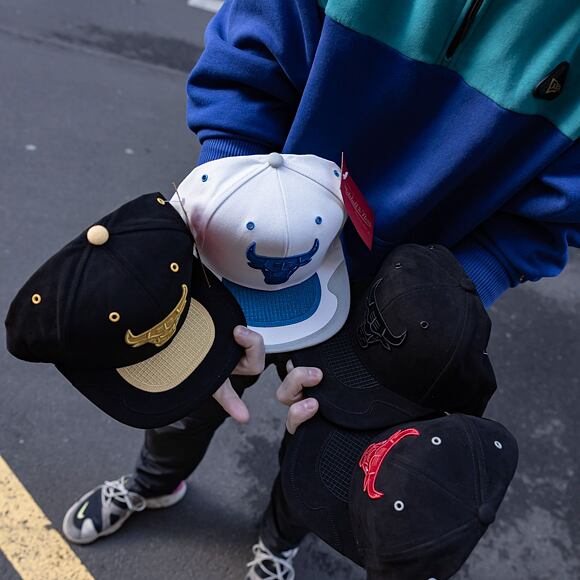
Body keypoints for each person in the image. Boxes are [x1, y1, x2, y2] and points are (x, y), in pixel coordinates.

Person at [63, 0, 580, 578]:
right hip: (254, 239)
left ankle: (277, 544)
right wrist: (231, 208)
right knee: (187, 397)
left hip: (399, 317)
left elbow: (550, 213)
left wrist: (439, 300)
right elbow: (251, 49)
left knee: (329, 449)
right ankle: (153, 485)